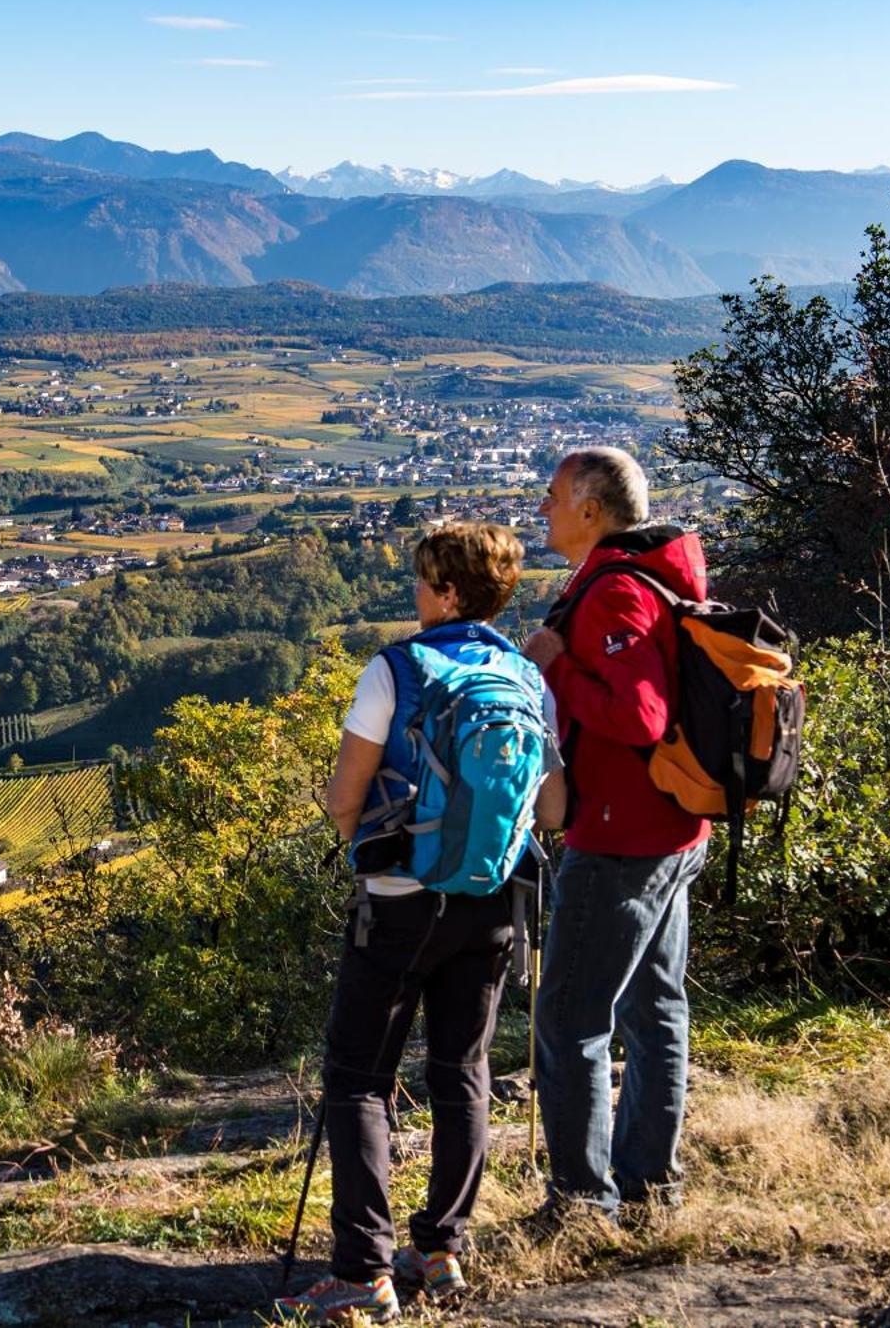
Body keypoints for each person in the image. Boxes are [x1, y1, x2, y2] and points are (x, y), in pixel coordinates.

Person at [279, 523, 563, 1323]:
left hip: (402, 901)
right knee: (461, 1070)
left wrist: (369, 847)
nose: (415, 590)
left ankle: (362, 1269)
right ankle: (441, 1248)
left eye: (423, 579)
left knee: (358, 1076)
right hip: (492, 903)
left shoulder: (394, 670)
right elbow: (555, 806)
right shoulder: (523, 677)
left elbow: (344, 798)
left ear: (445, 591)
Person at [520, 446, 710, 1221]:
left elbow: (640, 716)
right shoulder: (649, 576)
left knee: (570, 1019)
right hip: (671, 827)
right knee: (655, 1008)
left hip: (622, 838)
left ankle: (581, 1204)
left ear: (592, 510)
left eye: (555, 496)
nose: (543, 509)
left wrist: (554, 667)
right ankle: (646, 1184)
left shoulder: (614, 594)